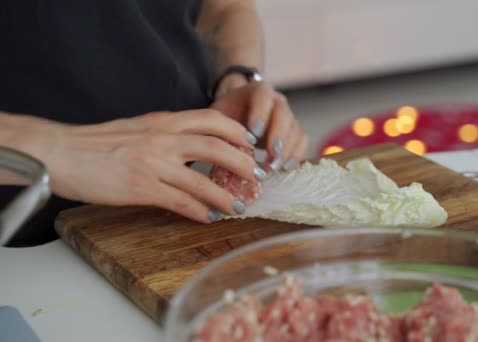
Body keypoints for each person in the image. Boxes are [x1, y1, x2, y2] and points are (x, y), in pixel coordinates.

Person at [0, 0, 308, 246]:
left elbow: (227, 8)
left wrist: (237, 76)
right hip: (18, 233)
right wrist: (57, 149)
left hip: (173, 211)